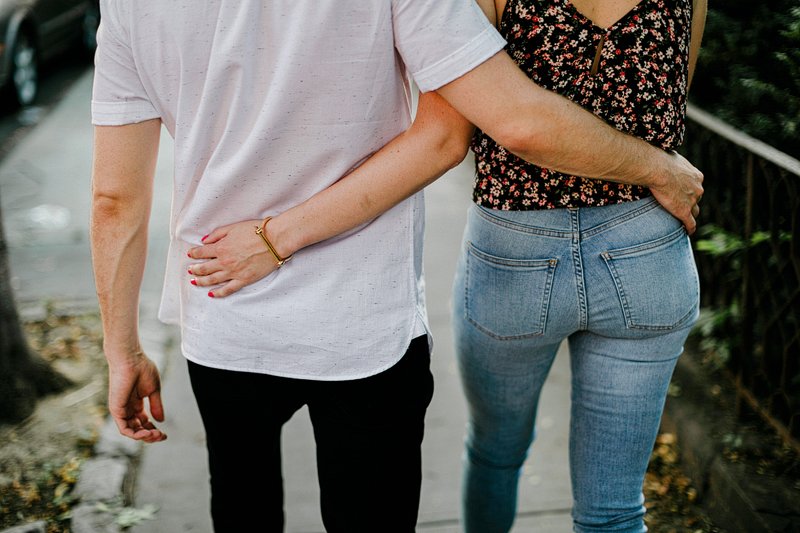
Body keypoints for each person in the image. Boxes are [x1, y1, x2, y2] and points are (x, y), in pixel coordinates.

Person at [89, 1, 702, 531]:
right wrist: (277, 239)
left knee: (244, 510)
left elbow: (115, 199)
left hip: (224, 309)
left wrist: (123, 351)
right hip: (366, 322)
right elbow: (447, 136)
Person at [449, 0, 708, 531]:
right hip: (645, 242)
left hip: (515, 249)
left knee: (495, 454)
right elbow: (671, 98)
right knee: (614, 511)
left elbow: (481, 118)